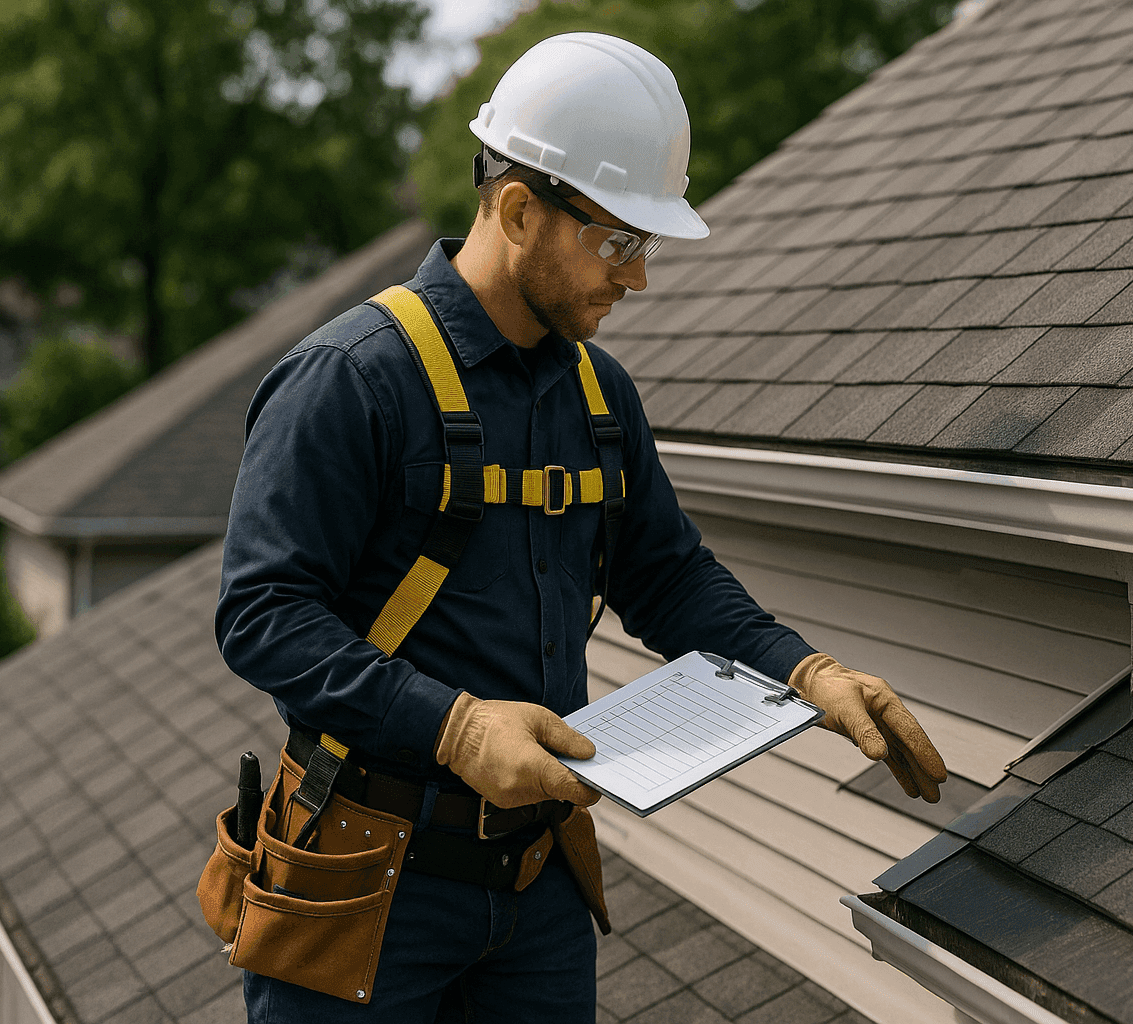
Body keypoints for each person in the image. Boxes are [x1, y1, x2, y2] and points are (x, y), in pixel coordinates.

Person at [214, 31, 946, 1023]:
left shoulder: (599, 398)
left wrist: (803, 670)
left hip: (535, 880)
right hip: (365, 877)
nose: (635, 279)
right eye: (619, 243)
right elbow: (263, 614)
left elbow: (666, 573)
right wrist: (457, 726)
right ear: (519, 210)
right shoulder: (353, 381)